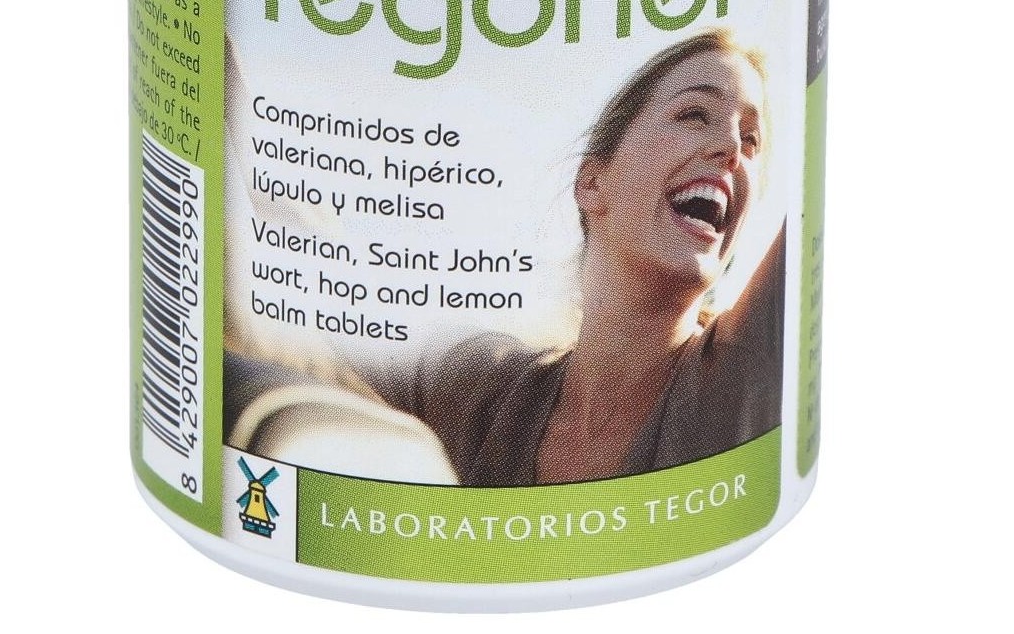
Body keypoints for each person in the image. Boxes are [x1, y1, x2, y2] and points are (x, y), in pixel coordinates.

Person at [226, 29, 784, 485]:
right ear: (594, 183)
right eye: (695, 114)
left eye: (751, 140)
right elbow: (326, 298)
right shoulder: (490, 393)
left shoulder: (740, 375)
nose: (731, 149)